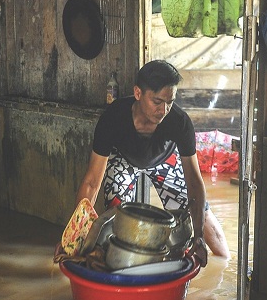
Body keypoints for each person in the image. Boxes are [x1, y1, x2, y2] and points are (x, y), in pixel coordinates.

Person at [74, 60, 230, 266]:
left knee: (197, 218)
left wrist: (198, 236)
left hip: (165, 160)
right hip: (124, 160)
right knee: (117, 221)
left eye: (170, 102)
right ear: (138, 93)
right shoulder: (112, 118)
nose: (163, 110)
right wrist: (76, 234)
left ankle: (224, 264)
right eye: (157, 102)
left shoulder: (179, 122)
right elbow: (92, 181)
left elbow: (194, 181)